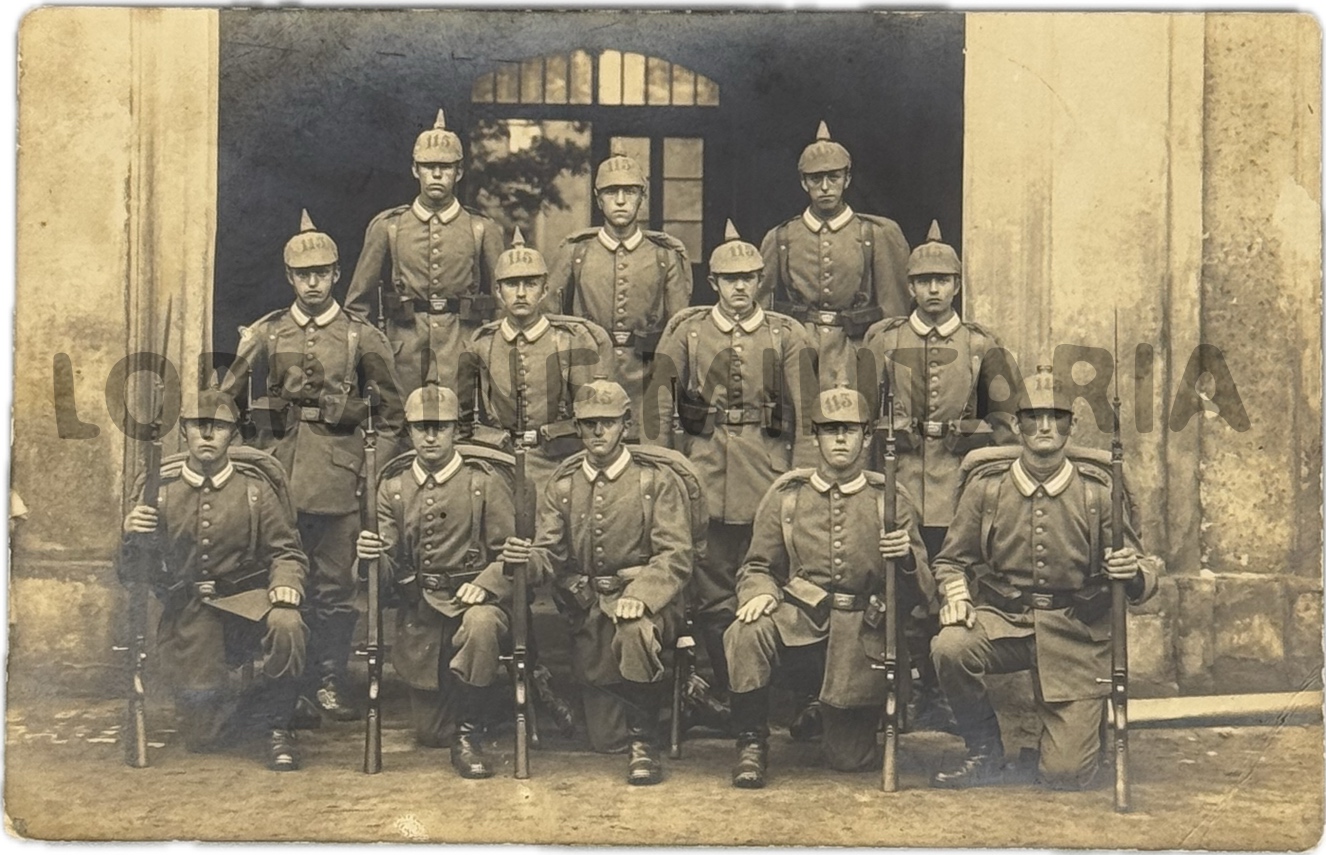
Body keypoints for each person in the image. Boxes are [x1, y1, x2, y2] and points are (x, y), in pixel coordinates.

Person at [928, 365, 1161, 790]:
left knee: (1066, 775)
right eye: (1033, 417)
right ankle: (984, 751)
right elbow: (951, 561)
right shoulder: (988, 487)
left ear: (1072, 425)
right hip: (1006, 620)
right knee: (950, 647)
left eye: (1057, 417)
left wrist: (1130, 573)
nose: (1045, 426)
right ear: (1017, 426)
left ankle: (1078, 731)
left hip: (1076, 630)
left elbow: (1142, 569)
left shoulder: (1097, 490)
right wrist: (957, 597)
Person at [223, 210, 406, 725]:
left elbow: (393, 416)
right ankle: (290, 682)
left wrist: (370, 471)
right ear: (289, 277)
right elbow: (224, 403)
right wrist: (245, 463)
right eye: (303, 274)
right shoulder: (267, 333)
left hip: (339, 478)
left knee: (334, 587)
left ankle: (329, 677)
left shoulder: (360, 337)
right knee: (283, 577)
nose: (313, 283)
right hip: (277, 474)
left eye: (322, 273)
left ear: (337, 274)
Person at [722, 385, 933, 788]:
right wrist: (760, 590)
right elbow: (757, 565)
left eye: (849, 430)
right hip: (799, 623)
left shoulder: (888, 499)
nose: (839, 439)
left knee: (849, 761)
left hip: (861, 636)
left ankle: (830, 711)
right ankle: (751, 742)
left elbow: (922, 592)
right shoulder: (787, 496)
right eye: (830, 429)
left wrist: (905, 558)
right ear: (815, 436)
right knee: (745, 633)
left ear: (866, 437)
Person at [653, 220, 816, 700]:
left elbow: (809, 414)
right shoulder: (688, 332)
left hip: (768, 472)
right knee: (712, 587)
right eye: (730, 279)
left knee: (774, 577)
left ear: (761, 280)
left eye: (748, 278)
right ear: (713, 283)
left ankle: (777, 692)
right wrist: (665, 472)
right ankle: (730, 691)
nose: (740, 287)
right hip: (704, 469)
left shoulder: (786, 334)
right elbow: (657, 404)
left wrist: (803, 480)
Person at [501, 380, 693, 785]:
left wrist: (641, 596)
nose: (599, 431)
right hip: (590, 611)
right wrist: (526, 560)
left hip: (650, 608)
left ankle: (645, 745)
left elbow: (676, 554)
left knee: (635, 630)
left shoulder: (654, 481)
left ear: (626, 425)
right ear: (578, 428)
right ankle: (682, 703)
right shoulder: (564, 485)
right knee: (606, 740)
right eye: (589, 424)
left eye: (608, 422)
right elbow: (550, 553)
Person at [861, 219, 1005, 729]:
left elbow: (1005, 422)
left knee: (950, 581)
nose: (934, 290)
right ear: (910, 287)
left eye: (943, 281)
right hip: (899, 479)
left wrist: (976, 440)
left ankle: (944, 689)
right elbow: (860, 413)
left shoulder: (981, 345)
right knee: (902, 583)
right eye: (924, 282)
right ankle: (905, 683)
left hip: (956, 483)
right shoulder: (885, 340)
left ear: (957, 285)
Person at [119, 390, 309, 770]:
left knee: (287, 623)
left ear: (233, 434)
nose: (207, 435)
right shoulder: (161, 492)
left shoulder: (255, 490)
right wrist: (130, 536)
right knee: (203, 738)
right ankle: (261, 702)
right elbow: (133, 574)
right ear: (184, 431)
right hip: (191, 614)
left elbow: (287, 551)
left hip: (248, 605)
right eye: (198, 426)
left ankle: (278, 724)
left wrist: (285, 583)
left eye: (218, 427)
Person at [355, 385, 514, 778]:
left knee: (481, 624)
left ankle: (469, 734)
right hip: (423, 618)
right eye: (420, 427)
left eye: (439, 427)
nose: (430, 437)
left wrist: (487, 584)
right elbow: (386, 567)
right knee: (431, 733)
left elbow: (511, 554)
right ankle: (495, 704)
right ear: (409, 431)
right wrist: (370, 556)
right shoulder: (393, 487)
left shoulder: (484, 483)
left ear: (455, 429)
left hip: (473, 607)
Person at [345, 108, 504, 404]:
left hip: (463, 350)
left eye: (446, 167)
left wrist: (491, 353)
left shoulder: (481, 228)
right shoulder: (389, 226)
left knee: (461, 423)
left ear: (459, 172)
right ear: (415, 170)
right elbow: (358, 304)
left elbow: (503, 303)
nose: (437, 174)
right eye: (428, 166)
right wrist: (370, 357)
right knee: (400, 423)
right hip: (402, 351)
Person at [545, 154, 692, 442]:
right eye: (612, 192)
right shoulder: (576, 252)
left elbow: (678, 332)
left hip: (647, 378)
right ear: (598, 199)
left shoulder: (664, 256)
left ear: (642, 198)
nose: (621, 201)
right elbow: (552, 322)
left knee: (647, 452)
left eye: (630, 192)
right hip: (588, 375)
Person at [759, 121, 911, 389]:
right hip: (798, 352)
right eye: (816, 179)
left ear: (847, 179)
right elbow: (761, 310)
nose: (825, 187)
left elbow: (894, 311)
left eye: (834, 177)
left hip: (858, 352)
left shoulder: (877, 234)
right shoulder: (780, 237)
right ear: (804, 182)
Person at [470, 228, 616, 504]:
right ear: (498, 292)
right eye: (511, 284)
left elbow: (589, 415)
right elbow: (466, 418)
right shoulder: (482, 344)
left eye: (530, 284)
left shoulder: (569, 342)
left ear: (545, 290)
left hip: (557, 463)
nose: (521, 293)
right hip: (497, 463)